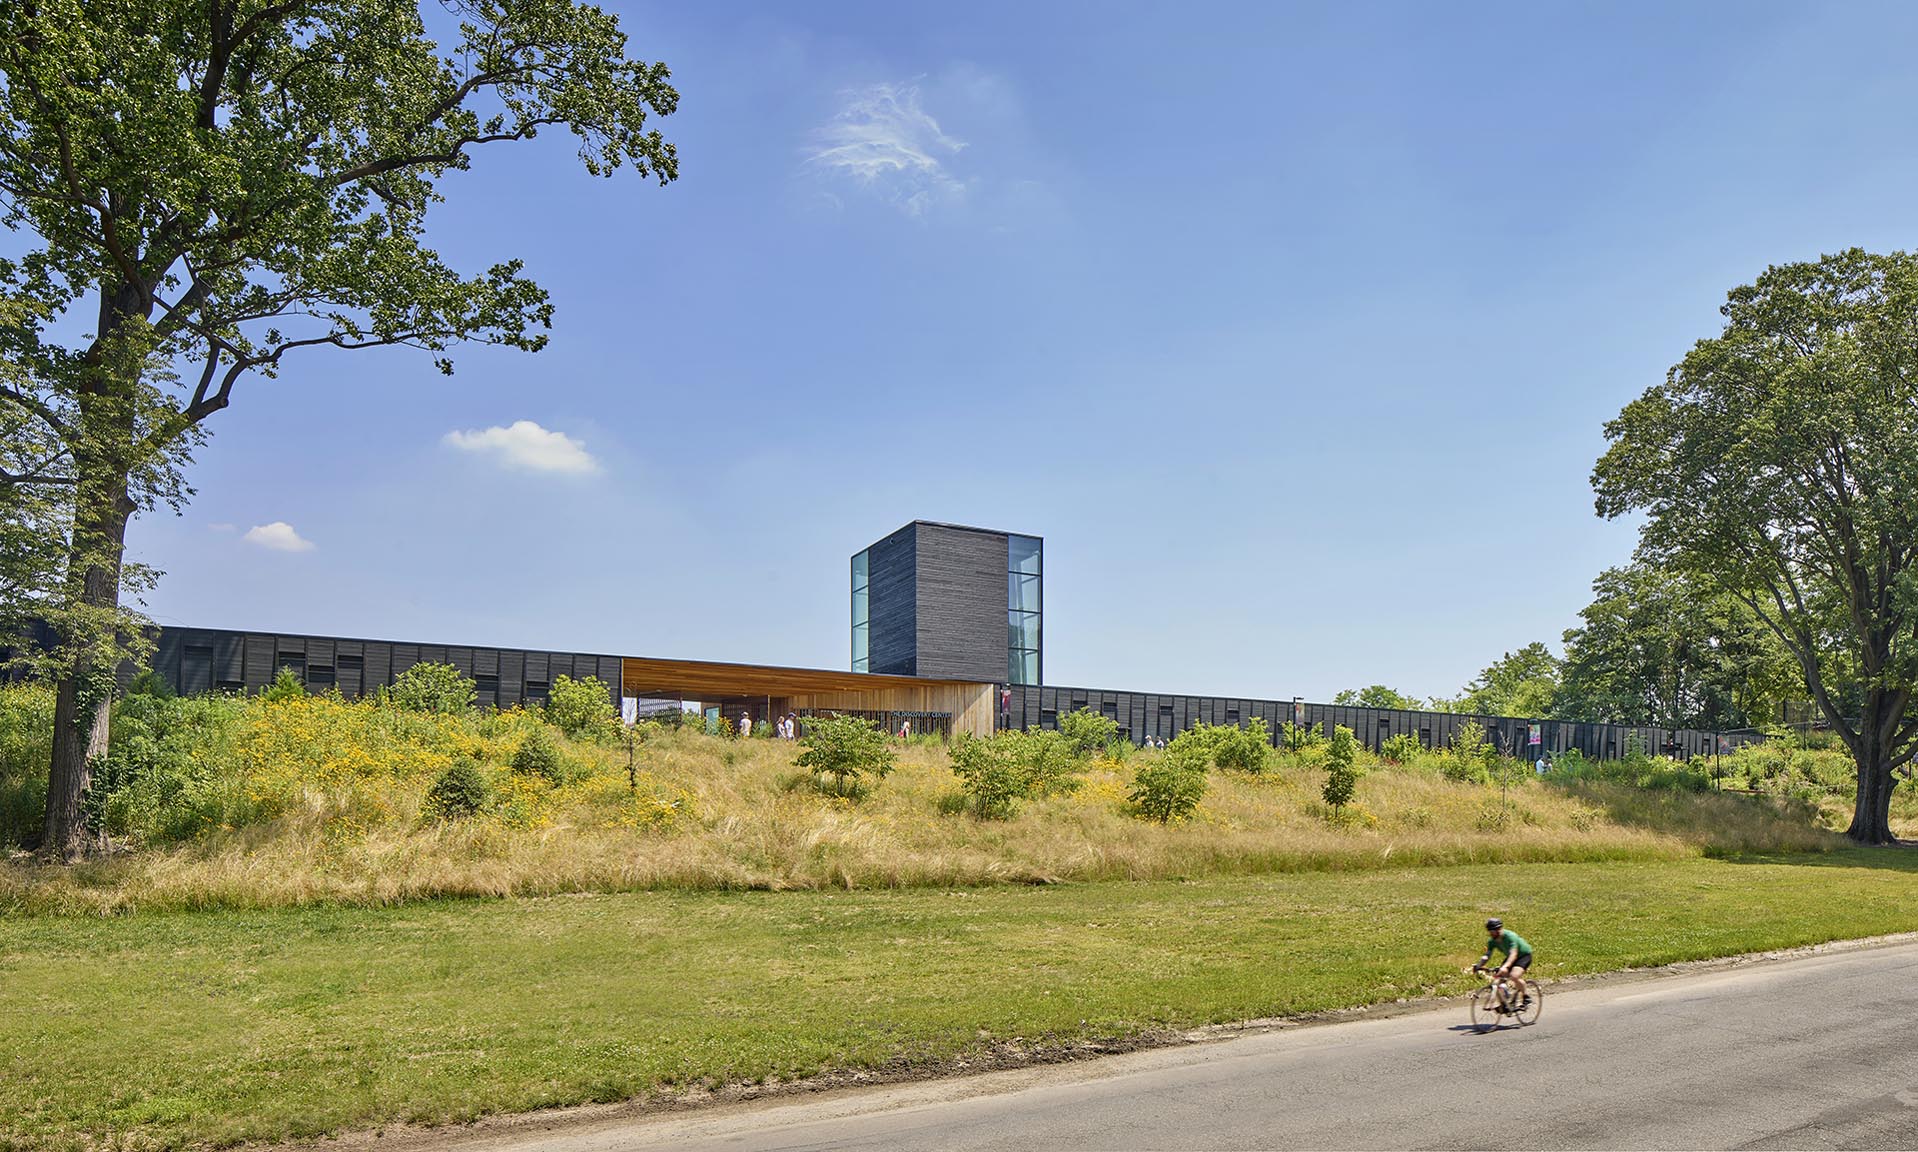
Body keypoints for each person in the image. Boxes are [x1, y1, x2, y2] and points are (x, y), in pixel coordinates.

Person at [1474, 917, 1535, 1011]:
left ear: (1499, 929)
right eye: (1489, 931)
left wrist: (1505, 966)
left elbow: (1513, 954)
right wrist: (1479, 965)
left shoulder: (1510, 936)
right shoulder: (1492, 941)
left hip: (1523, 955)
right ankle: (1504, 1004)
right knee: (1496, 981)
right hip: (1510, 958)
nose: (1491, 933)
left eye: (1493, 931)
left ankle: (1526, 997)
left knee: (1514, 976)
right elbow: (1487, 955)